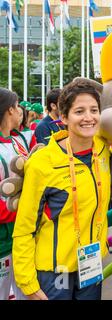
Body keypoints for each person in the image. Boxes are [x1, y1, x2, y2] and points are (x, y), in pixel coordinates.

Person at [12, 79, 111, 300]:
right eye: (79, 111)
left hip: (91, 266)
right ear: (63, 118)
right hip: (54, 272)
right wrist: (28, 283)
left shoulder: (104, 150)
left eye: (94, 110)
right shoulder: (42, 163)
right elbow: (25, 227)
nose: (88, 117)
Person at [0, 88, 36, 300]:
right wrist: (19, 210)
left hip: (23, 234)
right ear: (8, 110)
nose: (20, 111)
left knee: (26, 291)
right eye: (16, 106)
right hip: (4, 238)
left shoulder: (17, 140)